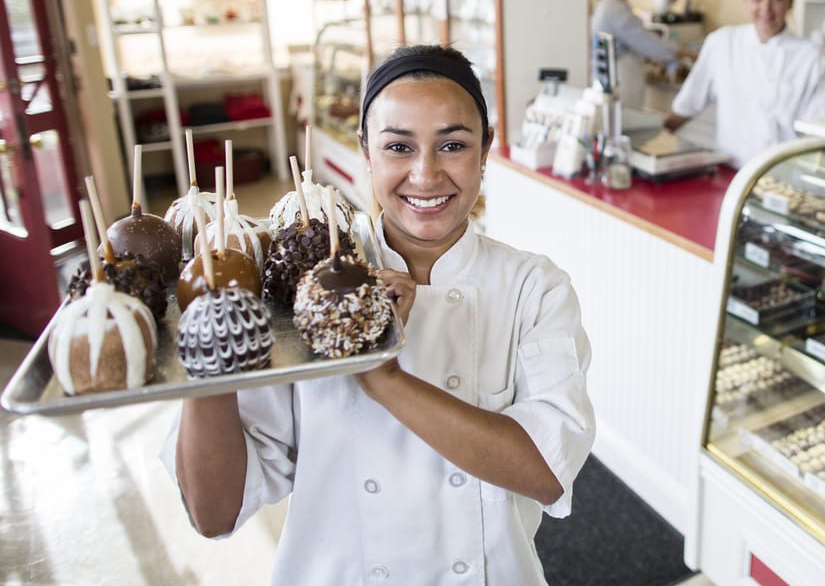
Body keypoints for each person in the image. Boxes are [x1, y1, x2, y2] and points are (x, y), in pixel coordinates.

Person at [164, 46, 595, 585]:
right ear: (366, 151)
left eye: (453, 145)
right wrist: (208, 358)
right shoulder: (299, 295)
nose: (426, 173)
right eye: (398, 146)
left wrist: (381, 373)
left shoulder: (534, 289)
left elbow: (546, 473)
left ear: (486, 149)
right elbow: (214, 511)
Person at [662, 0, 825, 168]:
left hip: (786, 177)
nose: (766, 7)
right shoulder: (722, 42)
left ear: (791, 1)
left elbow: (821, 131)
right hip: (731, 174)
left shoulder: (811, 57)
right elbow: (688, 103)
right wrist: (652, 136)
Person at [592, 0, 689, 108]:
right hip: (620, 79)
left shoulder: (611, 3)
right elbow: (650, 45)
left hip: (617, 78)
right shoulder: (614, 8)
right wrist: (685, 52)